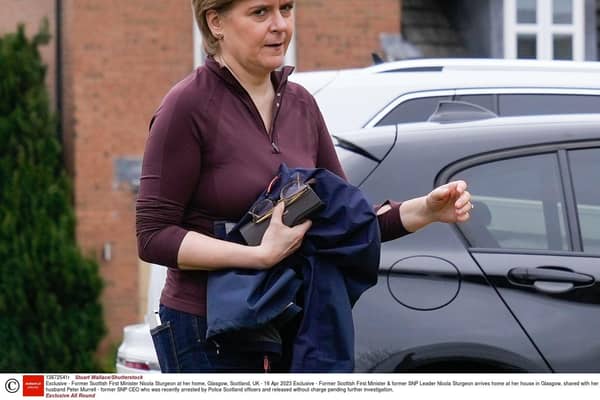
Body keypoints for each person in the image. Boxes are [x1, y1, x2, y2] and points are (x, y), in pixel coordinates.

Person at [136, 0, 473, 373]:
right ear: (215, 22)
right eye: (260, 12)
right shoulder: (186, 106)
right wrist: (259, 255)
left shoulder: (301, 104)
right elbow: (153, 236)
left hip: (287, 322)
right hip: (206, 331)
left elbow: (343, 223)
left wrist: (424, 210)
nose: (279, 25)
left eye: (286, 8)